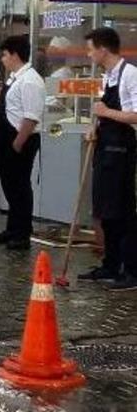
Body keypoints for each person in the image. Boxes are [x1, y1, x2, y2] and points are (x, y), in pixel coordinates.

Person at [78, 27, 137, 290]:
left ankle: (130, 271)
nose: (89, 54)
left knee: (122, 213)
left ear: (103, 49)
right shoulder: (108, 77)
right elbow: (106, 114)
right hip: (105, 153)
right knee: (105, 211)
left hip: (124, 154)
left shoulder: (130, 75)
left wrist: (107, 112)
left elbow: (136, 115)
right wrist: (96, 126)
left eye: (90, 49)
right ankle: (110, 264)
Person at [0, 35, 45, 251]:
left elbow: (31, 116)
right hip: (6, 140)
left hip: (20, 140)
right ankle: (12, 227)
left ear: (15, 55)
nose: (3, 59)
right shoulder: (14, 78)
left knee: (20, 188)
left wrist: (18, 144)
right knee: (9, 185)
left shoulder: (31, 80)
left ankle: (22, 233)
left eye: (5, 55)